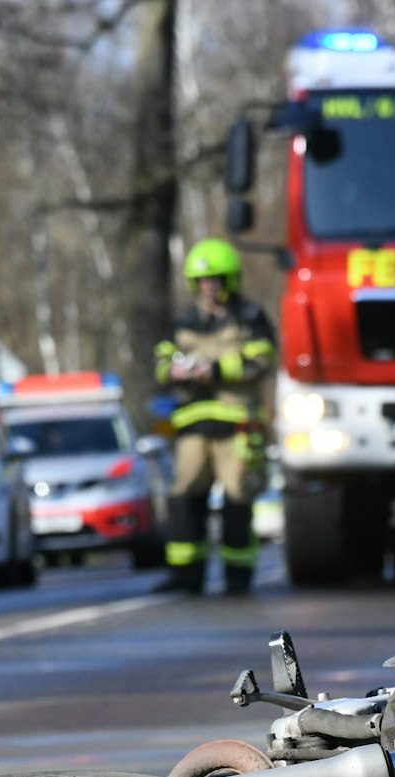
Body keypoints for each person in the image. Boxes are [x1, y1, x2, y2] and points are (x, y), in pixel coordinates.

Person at [152, 238, 277, 595]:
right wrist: (173, 371)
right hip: (193, 424)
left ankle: (238, 575)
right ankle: (185, 574)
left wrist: (218, 369)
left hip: (237, 424)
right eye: (203, 281)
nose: (209, 287)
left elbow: (261, 359)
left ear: (229, 280)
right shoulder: (184, 321)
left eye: (215, 280)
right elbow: (161, 360)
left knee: (238, 497)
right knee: (184, 496)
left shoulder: (249, 318)